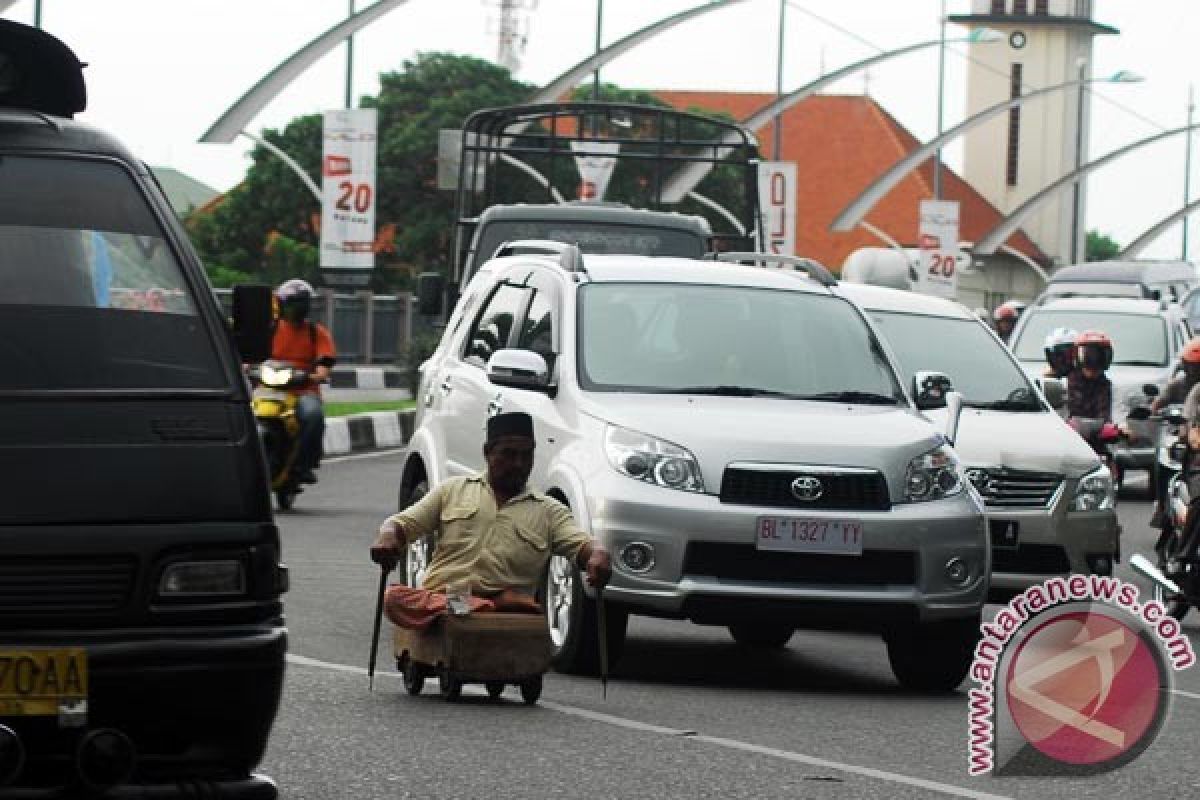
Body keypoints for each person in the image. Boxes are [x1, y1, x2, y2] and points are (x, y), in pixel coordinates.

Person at [369, 412, 612, 598]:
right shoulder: (452, 490)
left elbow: (584, 546)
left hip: (506, 613)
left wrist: (598, 554)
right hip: (443, 605)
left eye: (526, 455)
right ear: (487, 453)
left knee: (526, 617)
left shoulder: (550, 511)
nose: (518, 463)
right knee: (395, 598)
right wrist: (388, 536)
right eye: (508, 454)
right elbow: (400, 524)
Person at [270, 279, 336, 485]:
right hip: (269, 388)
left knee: (313, 415)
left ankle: (304, 465)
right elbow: (250, 356)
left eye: (300, 305)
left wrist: (317, 375)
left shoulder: (316, 333)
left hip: (303, 389)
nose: (295, 310)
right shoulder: (269, 329)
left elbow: (325, 362)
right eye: (291, 304)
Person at [1064, 330, 1115, 457]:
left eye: (1098, 357)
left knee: (1114, 459)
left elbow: (1114, 412)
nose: (1093, 363)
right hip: (1071, 441)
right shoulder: (1068, 383)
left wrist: (1120, 428)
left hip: (1099, 442)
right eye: (1088, 357)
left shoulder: (1107, 385)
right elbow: (1063, 411)